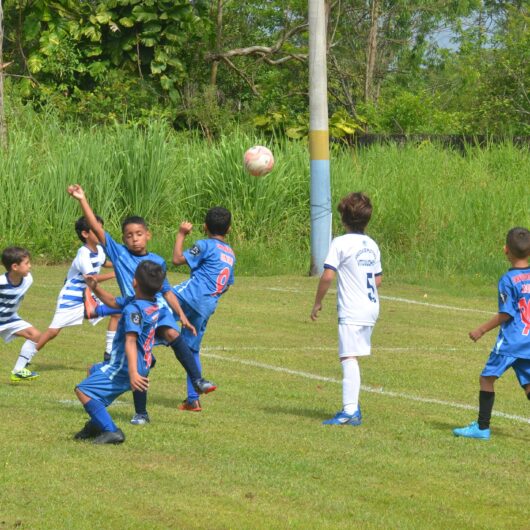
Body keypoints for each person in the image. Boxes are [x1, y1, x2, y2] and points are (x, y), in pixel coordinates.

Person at [67, 184, 216, 426]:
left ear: (148, 234)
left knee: (171, 332)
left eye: (138, 234)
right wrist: (82, 199)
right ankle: (140, 412)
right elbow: (95, 226)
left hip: (155, 309)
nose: (134, 239)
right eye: (129, 235)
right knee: (139, 361)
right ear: (123, 238)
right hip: (133, 310)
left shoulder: (156, 261)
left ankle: (197, 380)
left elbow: (167, 291)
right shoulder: (119, 254)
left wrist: (182, 315)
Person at [310, 192, 382, 426]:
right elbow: (378, 280)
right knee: (351, 355)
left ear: (343, 219)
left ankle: (350, 411)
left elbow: (328, 275)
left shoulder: (340, 243)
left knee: (348, 357)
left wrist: (318, 301)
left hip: (353, 308)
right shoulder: (371, 244)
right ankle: (353, 407)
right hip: (371, 307)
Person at [74, 260, 164, 444]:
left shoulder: (133, 309)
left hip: (125, 366)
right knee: (93, 370)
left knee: (82, 391)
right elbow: (113, 301)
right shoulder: (149, 303)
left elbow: (130, 341)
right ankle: (96, 424)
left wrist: (132, 373)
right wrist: (95, 287)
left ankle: (111, 431)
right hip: (140, 363)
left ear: (134, 282)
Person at [454, 227, 530, 440]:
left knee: (486, 379)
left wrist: (481, 329)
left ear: (506, 250)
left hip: (511, 342)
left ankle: (482, 428)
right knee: (528, 385)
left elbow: (506, 314)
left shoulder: (508, 280)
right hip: (528, 342)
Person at [172, 207, 235, 411]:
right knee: (191, 349)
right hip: (207, 306)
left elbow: (177, 260)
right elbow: (226, 285)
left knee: (151, 304)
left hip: (189, 296)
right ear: (230, 229)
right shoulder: (231, 254)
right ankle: (192, 400)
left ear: (205, 226)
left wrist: (181, 234)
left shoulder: (205, 245)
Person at [35, 216, 120, 358]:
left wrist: (122, 264)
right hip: (71, 296)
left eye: (101, 229)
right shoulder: (83, 253)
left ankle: (109, 353)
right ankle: (26, 357)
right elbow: (91, 278)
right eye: (96, 230)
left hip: (87, 295)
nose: (101, 232)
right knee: (53, 332)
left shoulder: (99, 249)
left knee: (117, 312)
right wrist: (115, 273)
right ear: (85, 234)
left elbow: (104, 262)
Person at [0, 247, 42, 382]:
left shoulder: (28, 279)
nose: (30, 266)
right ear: (15, 267)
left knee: (35, 335)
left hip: (10, 319)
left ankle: (18, 370)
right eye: (27, 263)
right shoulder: (1, 283)